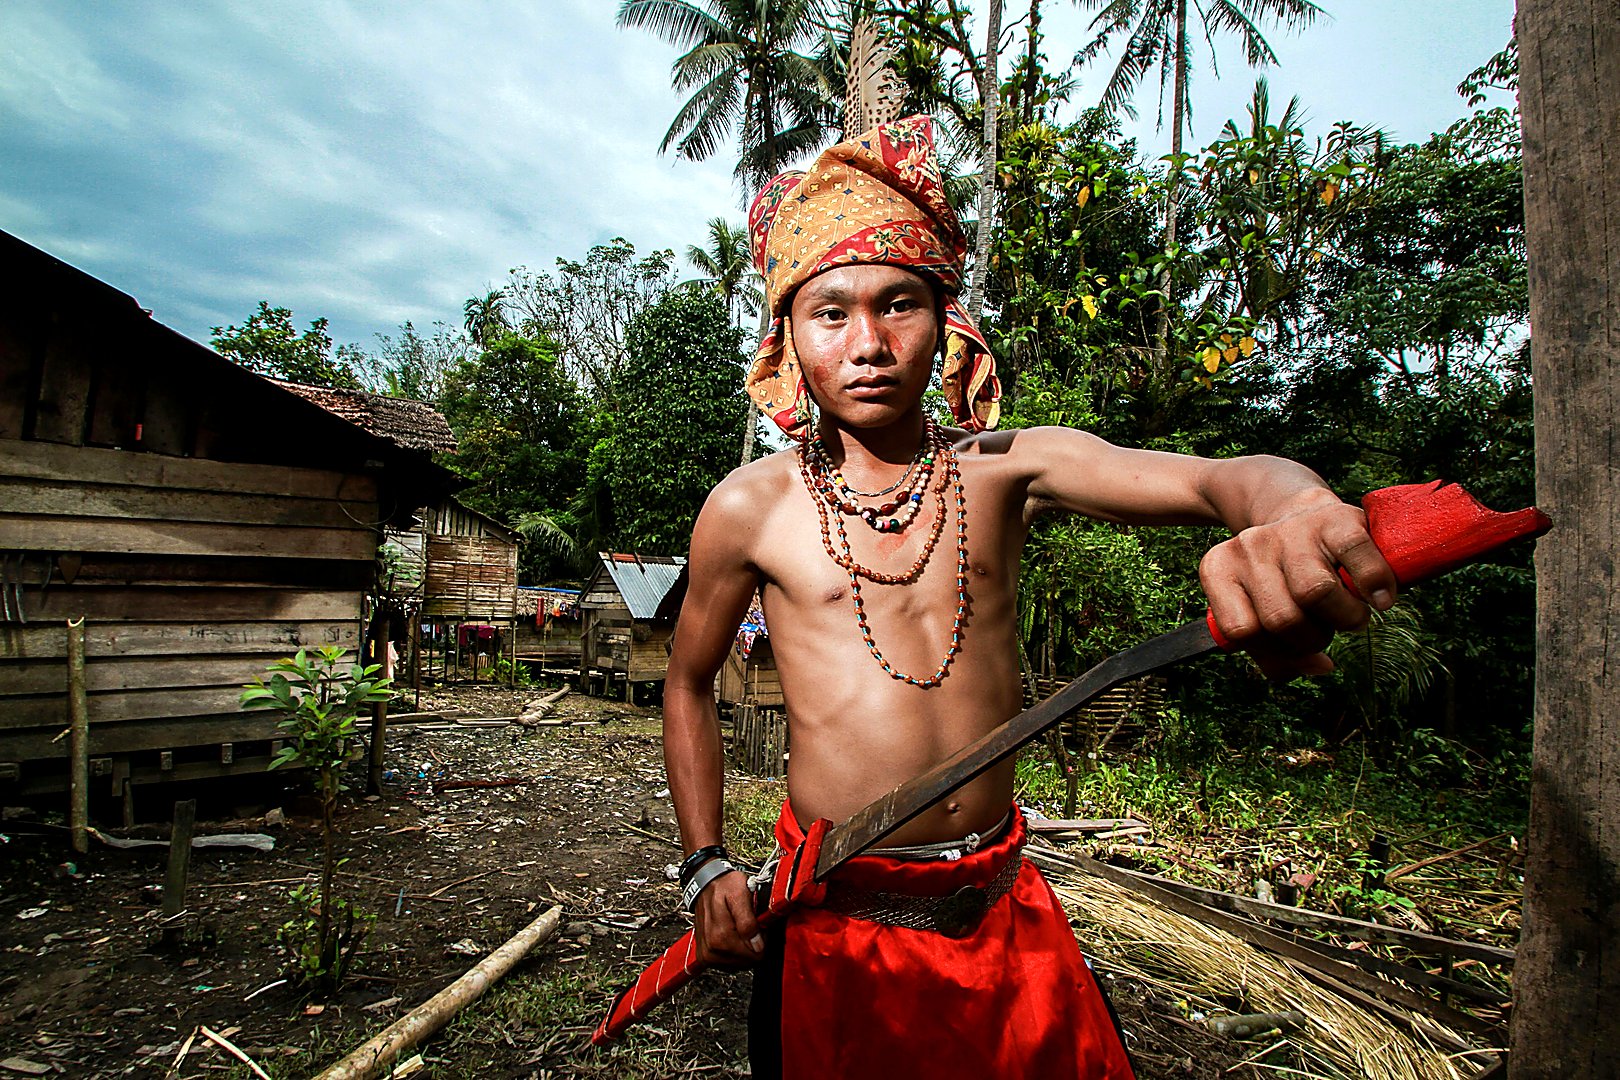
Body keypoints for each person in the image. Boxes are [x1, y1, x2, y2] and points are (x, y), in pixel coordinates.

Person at [661, 116, 1395, 1079]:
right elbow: (686, 684)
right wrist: (707, 862)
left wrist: (1292, 505)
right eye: (830, 312)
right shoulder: (750, 508)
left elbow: (1218, 478)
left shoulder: (1002, 470)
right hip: (836, 920)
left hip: (1003, 913)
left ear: (947, 324)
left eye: (900, 304)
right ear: (790, 339)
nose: (869, 342)